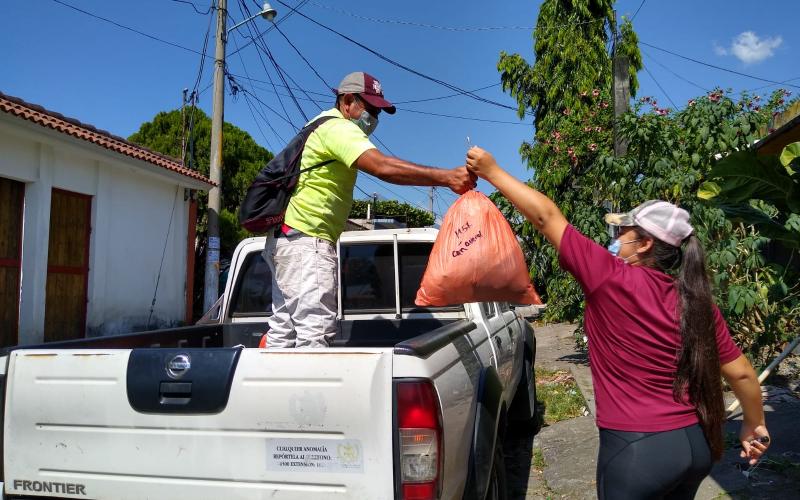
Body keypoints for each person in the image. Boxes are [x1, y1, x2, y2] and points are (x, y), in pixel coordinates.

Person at [465, 146, 769, 499]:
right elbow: (743, 373)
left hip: (637, 452)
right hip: (694, 443)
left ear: (645, 243)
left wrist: (492, 170)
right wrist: (754, 423)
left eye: (623, 231)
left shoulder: (609, 279)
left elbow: (547, 217)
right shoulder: (698, 301)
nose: (616, 239)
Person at [262, 71, 476, 348]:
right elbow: (382, 167)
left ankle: (272, 391)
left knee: (283, 334)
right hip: (306, 242)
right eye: (371, 109)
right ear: (347, 101)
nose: (375, 118)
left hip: (287, 240)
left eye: (379, 112)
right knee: (314, 337)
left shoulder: (317, 124)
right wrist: (447, 177)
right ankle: (309, 394)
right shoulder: (339, 127)